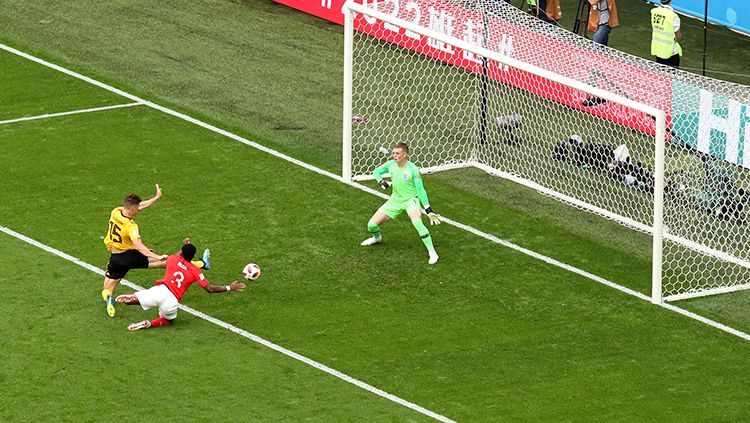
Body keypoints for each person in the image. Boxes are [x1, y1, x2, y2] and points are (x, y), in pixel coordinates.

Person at [101, 184, 209, 318]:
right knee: (166, 262)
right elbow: (139, 245)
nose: (138, 211)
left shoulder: (116, 211)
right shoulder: (131, 226)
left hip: (116, 258)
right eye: (137, 209)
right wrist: (156, 256)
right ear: (133, 208)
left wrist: (155, 198)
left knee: (107, 287)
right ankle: (201, 264)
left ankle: (109, 299)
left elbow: (139, 206)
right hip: (129, 256)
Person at [116, 242, 245, 331]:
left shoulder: (172, 259)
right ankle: (149, 324)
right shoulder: (196, 271)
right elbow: (210, 289)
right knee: (168, 320)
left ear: (181, 253)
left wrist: (185, 245)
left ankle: (133, 298)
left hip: (161, 290)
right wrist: (229, 287)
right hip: (172, 300)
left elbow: (178, 254)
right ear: (193, 256)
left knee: (139, 299)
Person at [360, 142, 442, 265]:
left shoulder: (413, 170)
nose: (394, 155)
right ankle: (377, 238)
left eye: (397, 153)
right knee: (371, 225)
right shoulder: (391, 165)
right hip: (395, 200)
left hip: (411, 201)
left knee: (417, 222)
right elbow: (376, 172)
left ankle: (432, 252)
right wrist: (381, 181)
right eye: (393, 153)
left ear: (405, 155)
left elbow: (420, 190)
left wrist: (428, 209)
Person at [651, 0, 682, 68]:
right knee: (673, 76)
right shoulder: (673, 16)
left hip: (658, 49)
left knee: (662, 75)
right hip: (671, 52)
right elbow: (678, 36)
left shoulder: (654, 11)